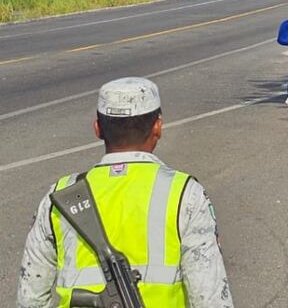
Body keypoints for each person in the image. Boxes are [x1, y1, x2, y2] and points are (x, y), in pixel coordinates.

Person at [16, 77, 232, 308]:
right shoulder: (185, 194)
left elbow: (30, 298)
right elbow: (209, 296)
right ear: (158, 126)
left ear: (98, 128)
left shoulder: (61, 196)